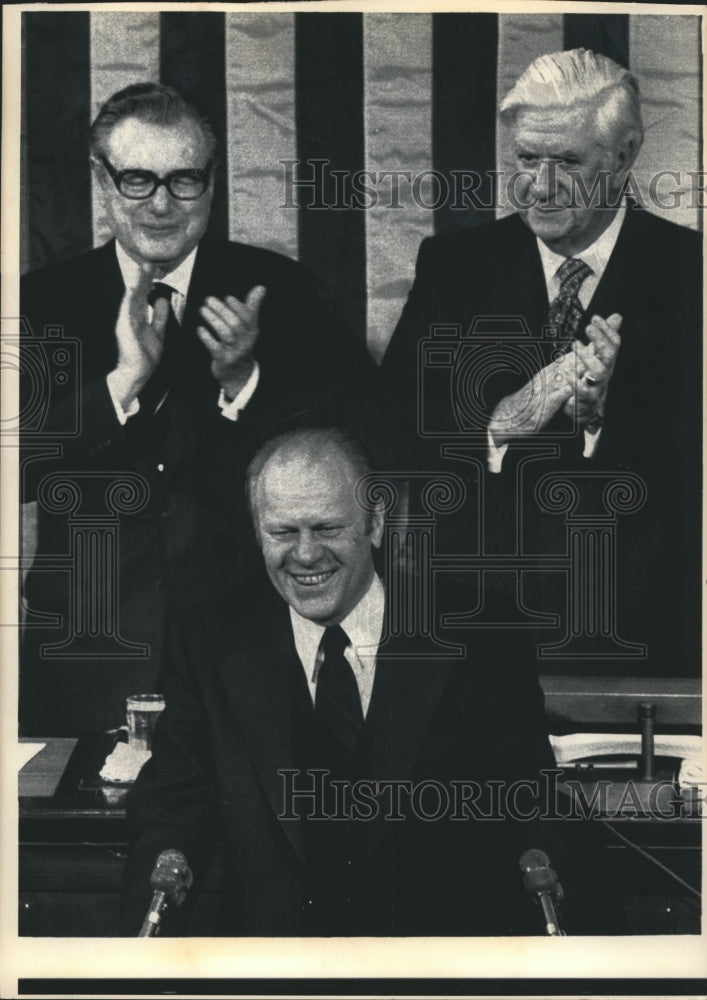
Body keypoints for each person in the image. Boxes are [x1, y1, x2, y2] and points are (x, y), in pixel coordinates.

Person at [19, 83, 381, 734]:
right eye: (137, 180)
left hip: (246, 651)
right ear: (102, 180)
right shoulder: (41, 302)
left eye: (184, 180)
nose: (161, 204)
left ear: (212, 182)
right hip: (84, 655)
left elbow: (356, 450)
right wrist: (121, 383)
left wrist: (245, 382)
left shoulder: (282, 294)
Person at [121, 427, 561, 937]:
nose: (305, 555)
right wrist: (140, 952)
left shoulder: (481, 638)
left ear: (375, 521)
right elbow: (173, 811)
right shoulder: (205, 643)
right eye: (283, 532)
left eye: (326, 528)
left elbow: (533, 807)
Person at [381, 48, 701, 676]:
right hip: (473, 640)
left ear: (624, 154)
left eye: (568, 162)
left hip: (645, 646)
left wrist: (606, 418)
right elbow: (389, 435)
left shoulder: (693, 274)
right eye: (527, 158)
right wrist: (496, 427)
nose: (541, 185)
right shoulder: (454, 267)